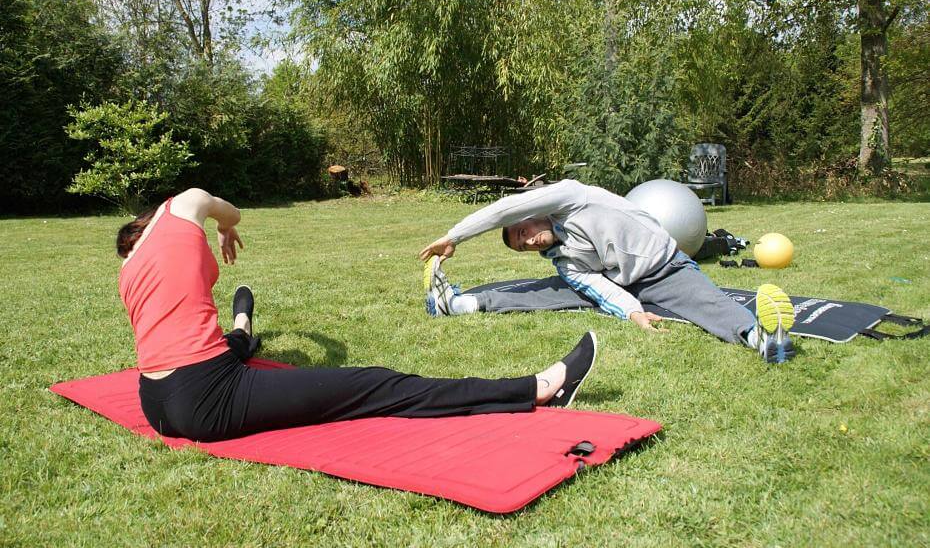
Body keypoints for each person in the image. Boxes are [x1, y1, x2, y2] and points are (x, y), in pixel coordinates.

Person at [118, 188, 597, 442]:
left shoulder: (128, 271)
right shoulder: (185, 204)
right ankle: (539, 389)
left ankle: (243, 319)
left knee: (235, 347)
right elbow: (233, 213)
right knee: (376, 385)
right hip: (207, 398)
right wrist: (223, 228)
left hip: (155, 402)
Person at [418, 179, 796, 364]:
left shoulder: (570, 196)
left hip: (664, 268)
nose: (529, 241)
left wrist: (454, 237)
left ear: (530, 217)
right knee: (547, 293)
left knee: (704, 301)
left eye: (523, 232)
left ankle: (763, 338)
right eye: (522, 245)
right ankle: (460, 304)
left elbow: (504, 208)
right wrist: (633, 312)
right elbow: (600, 287)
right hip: (622, 282)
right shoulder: (564, 261)